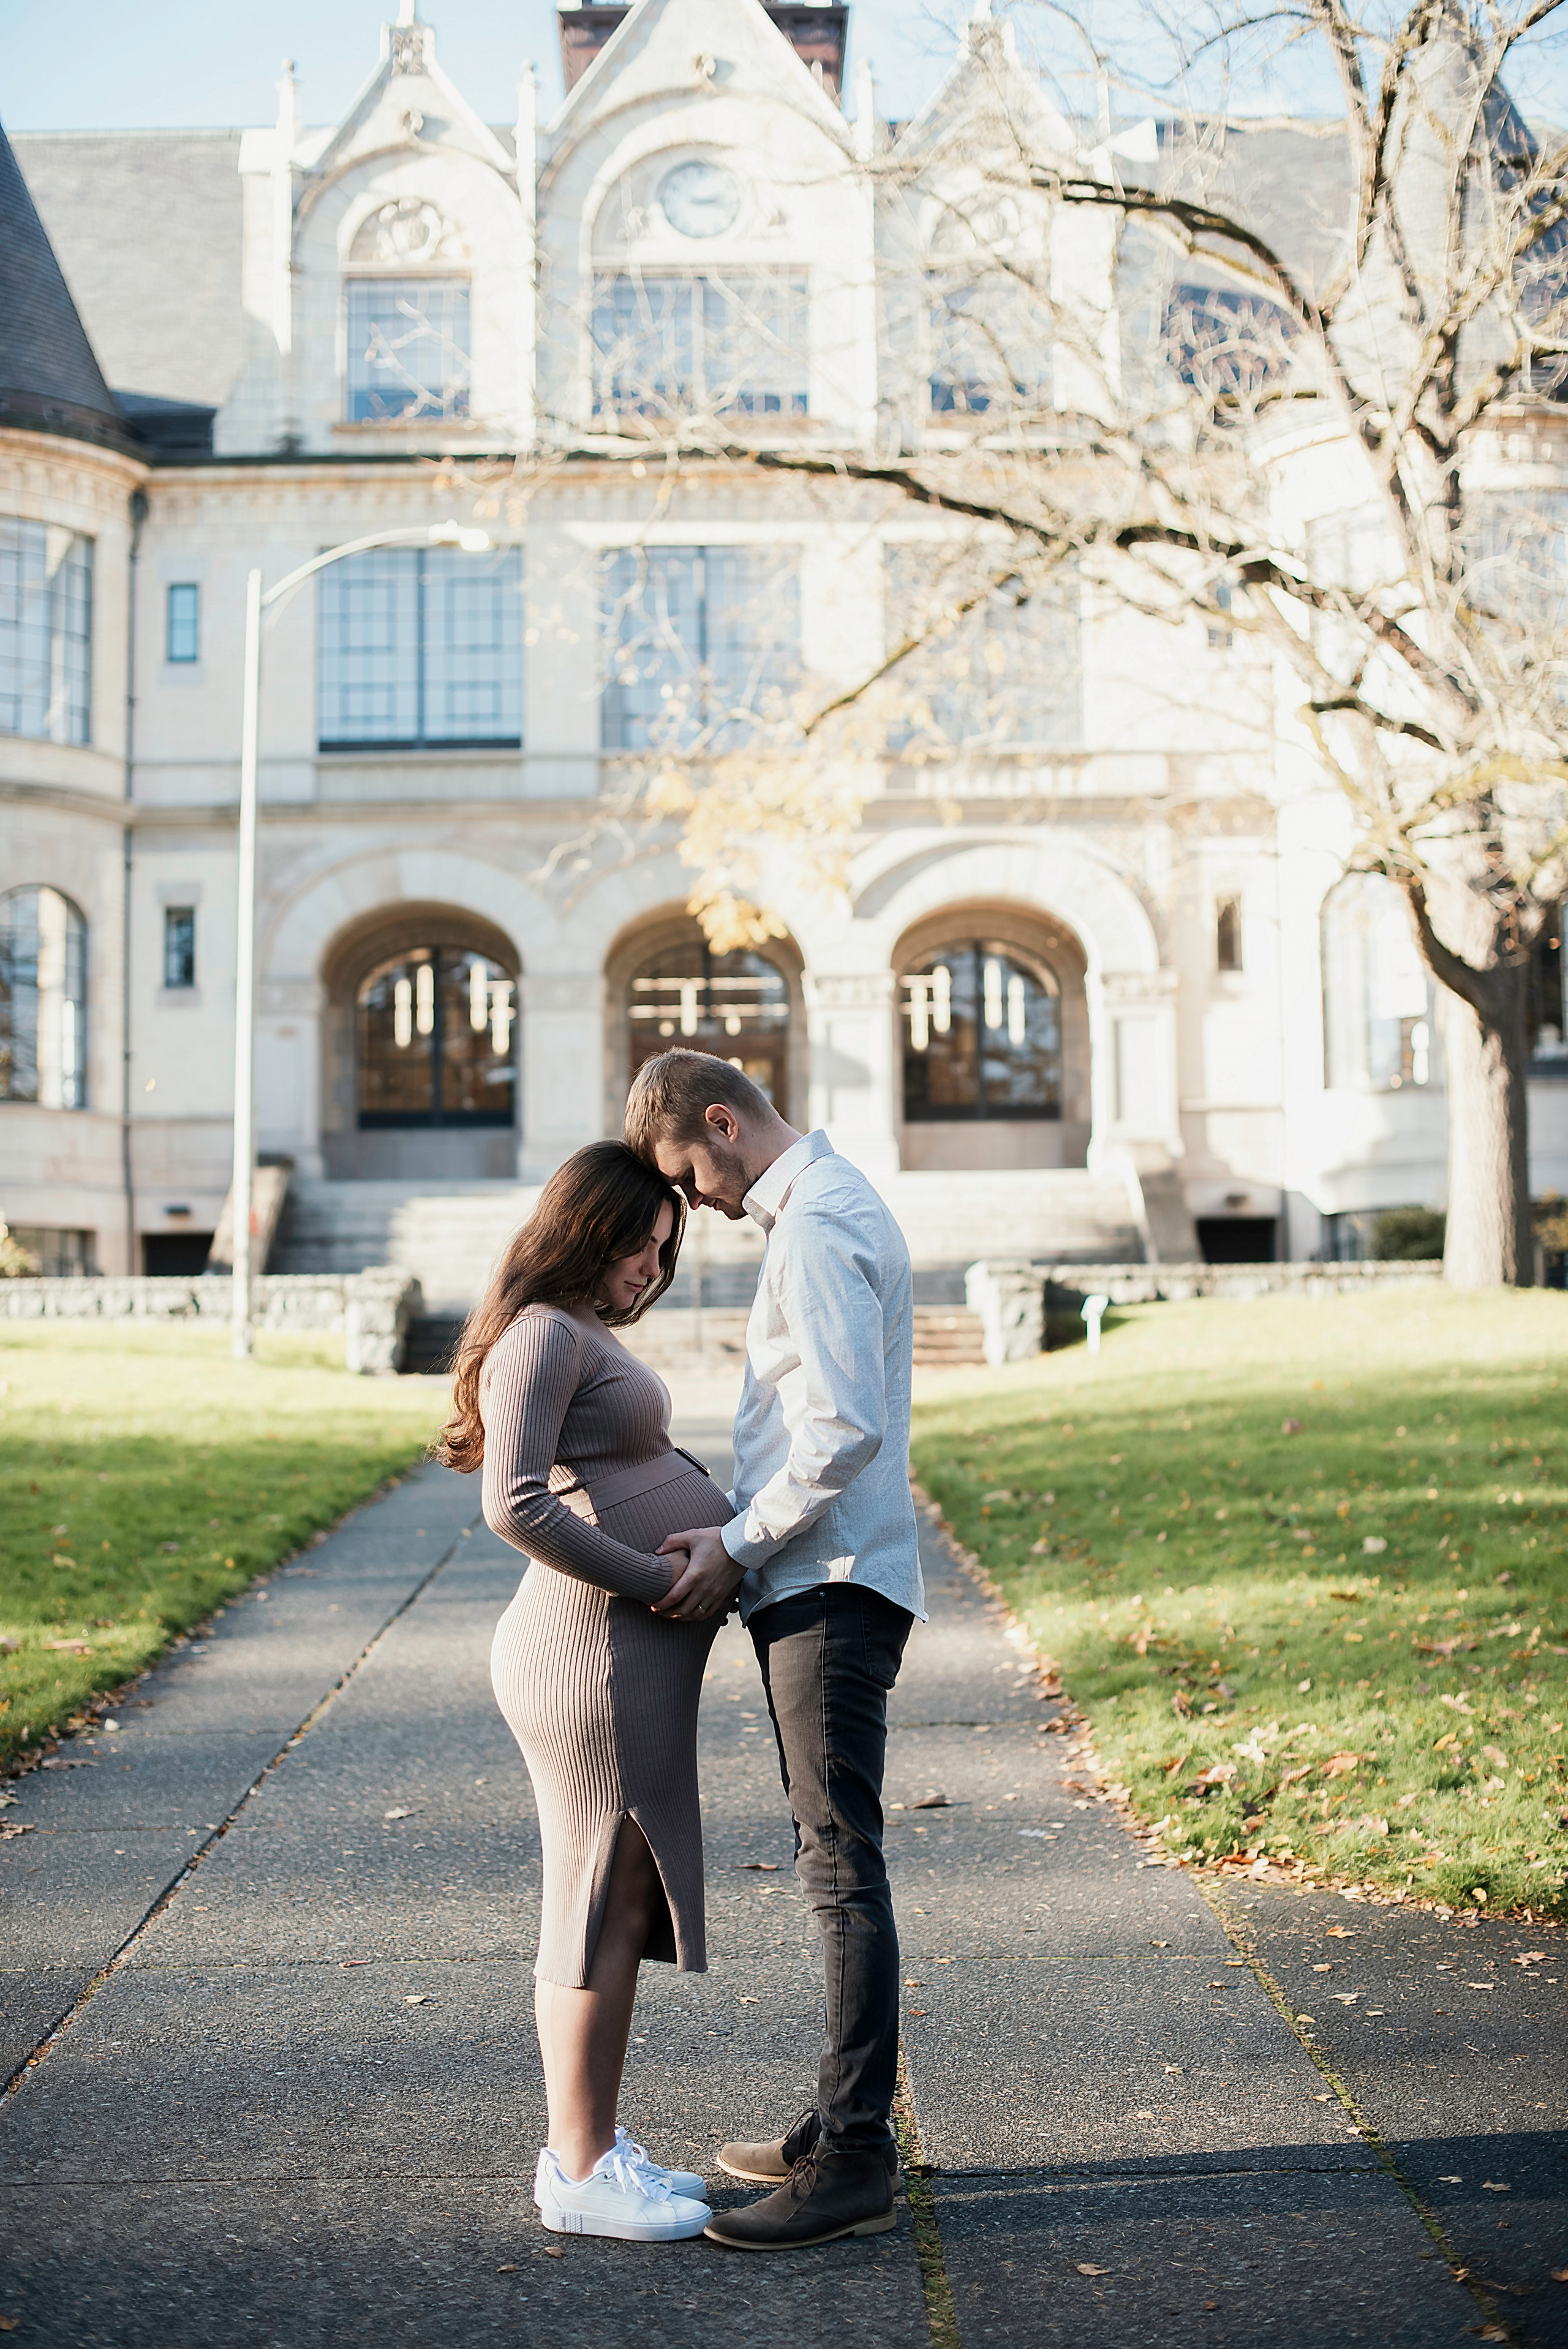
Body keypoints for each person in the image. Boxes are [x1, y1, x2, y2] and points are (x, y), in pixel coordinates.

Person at [624, 1050, 924, 2253]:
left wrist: (739, 1540)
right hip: (823, 1574)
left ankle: (852, 2155)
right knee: (831, 1852)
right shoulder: (822, 1205)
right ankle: (835, 2124)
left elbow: (840, 1428)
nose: (689, 1199)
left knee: (837, 1860)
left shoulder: (814, 1226)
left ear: (719, 1122)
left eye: (684, 1173)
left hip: (830, 1580)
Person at [440, 1141, 734, 2244]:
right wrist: (664, 1579)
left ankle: (595, 2148)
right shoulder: (540, 1334)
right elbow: (515, 1505)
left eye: (665, 1253)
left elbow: (618, 1464)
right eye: (638, 1249)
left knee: (616, 1899)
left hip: (622, 1655)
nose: (650, 1272)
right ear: (587, 1230)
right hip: (587, 1657)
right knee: (593, 1903)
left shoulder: (582, 1335)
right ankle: (578, 2168)